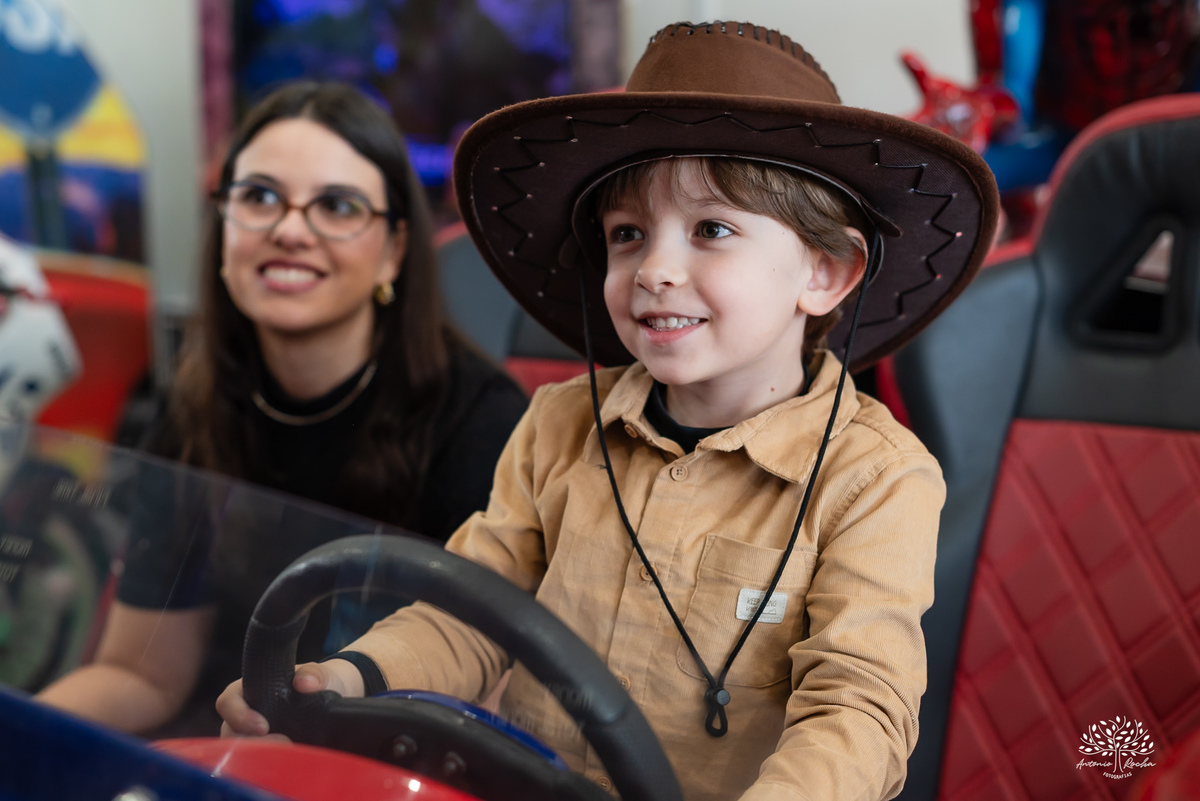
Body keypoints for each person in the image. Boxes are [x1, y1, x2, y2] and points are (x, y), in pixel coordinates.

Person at [218, 23, 1000, 801]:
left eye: (712, 229)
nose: (654, 268)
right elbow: (470, 615)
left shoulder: (875, 478)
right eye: (628, 234)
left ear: (826, 273)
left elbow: (856, 712)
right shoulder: (558, 425)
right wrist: (346, 677)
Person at [36, 82, 528, 736]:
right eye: (260, 197)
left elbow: (477, 705)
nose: (290, 230)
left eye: (337, 205)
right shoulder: (192, 408)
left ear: (394, 249)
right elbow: (141, 674)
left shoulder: (483, 424)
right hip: (220, 753)